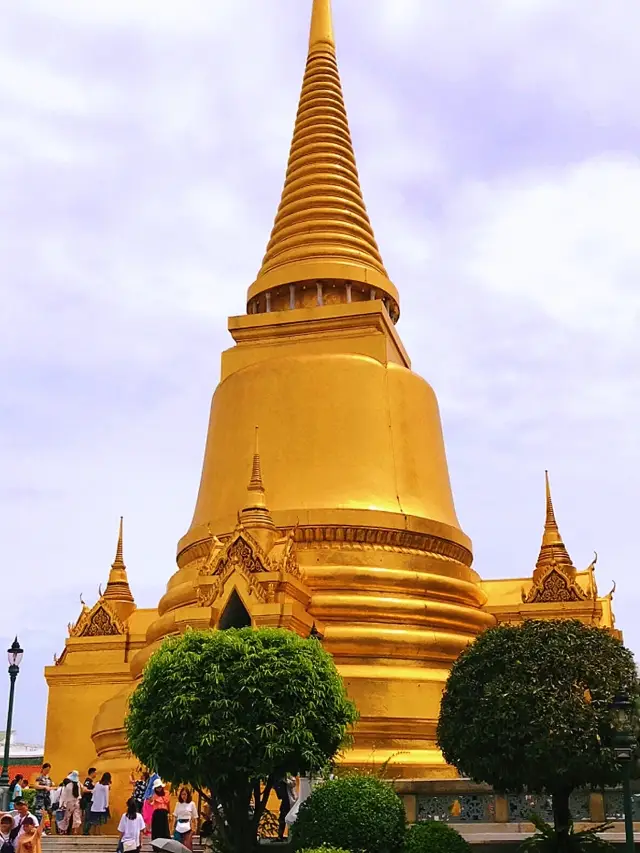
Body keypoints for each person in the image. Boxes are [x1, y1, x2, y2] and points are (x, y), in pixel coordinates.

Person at [32, 763, 53, 831]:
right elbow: (35, 786)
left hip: (47, 798)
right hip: (40, 798)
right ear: (43, 769)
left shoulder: (49, 778)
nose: (47, 771)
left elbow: (50, 786)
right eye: (46, 770)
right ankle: (40, 828)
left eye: (48, 770)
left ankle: (46, 829)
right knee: (40, 813)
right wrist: (44, 787)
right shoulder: (39, 778)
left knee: (48, 812)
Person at [80, 767, 97, 835]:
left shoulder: (92, 781)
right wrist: (92, 791)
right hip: (87, 801)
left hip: (91, 802)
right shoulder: (88, 781)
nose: (96, 774)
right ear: (92, 773)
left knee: (90, 816)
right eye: (95, 772)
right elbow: (84, 789)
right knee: (88, 816)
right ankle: (85, 831)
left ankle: (87, 831)